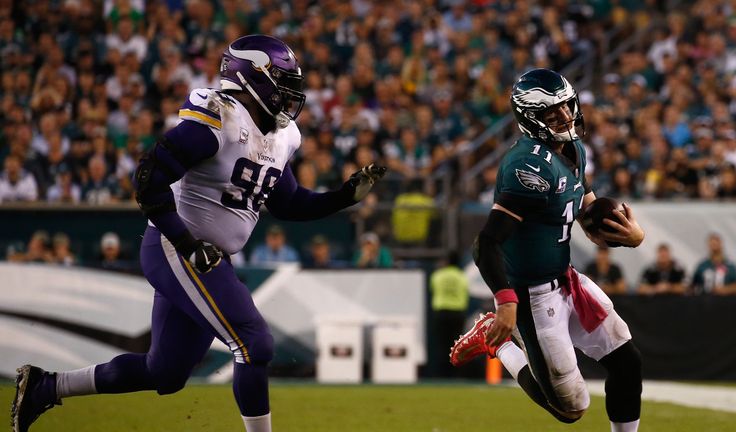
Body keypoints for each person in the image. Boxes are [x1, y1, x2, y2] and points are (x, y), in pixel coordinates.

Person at [12, 34, 387, 432]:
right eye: (281, 84)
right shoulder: (220, 117)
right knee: (254, 343)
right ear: (251, 78)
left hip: (204, 255)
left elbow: (288, 202)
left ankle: (45, 387)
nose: (288, 96)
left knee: (165, 372)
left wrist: (344, 196)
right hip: (177, 246)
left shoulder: (281, 137)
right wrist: (187, 243)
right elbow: (148, 179)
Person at [449, 69, 645, 431]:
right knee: (571, 409)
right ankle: (499, 342)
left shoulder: (573, 149)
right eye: (553, 114)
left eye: (567, 107)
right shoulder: (528, 165)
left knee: (626, 360)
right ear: (530, 118)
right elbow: (487, 241)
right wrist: (506, 302)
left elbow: (586, 211)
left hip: (566, 279)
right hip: (531, 297)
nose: (566, 117)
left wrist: (628, 236)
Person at [429, 252, 469, 377]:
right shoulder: (462, 276)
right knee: (457, 346)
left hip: (441, 313)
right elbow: (465, 293)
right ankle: (456, 374)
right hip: (457, 313)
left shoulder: (437, 275)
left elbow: (433, 289)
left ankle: (441, 375)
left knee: (441, 345)